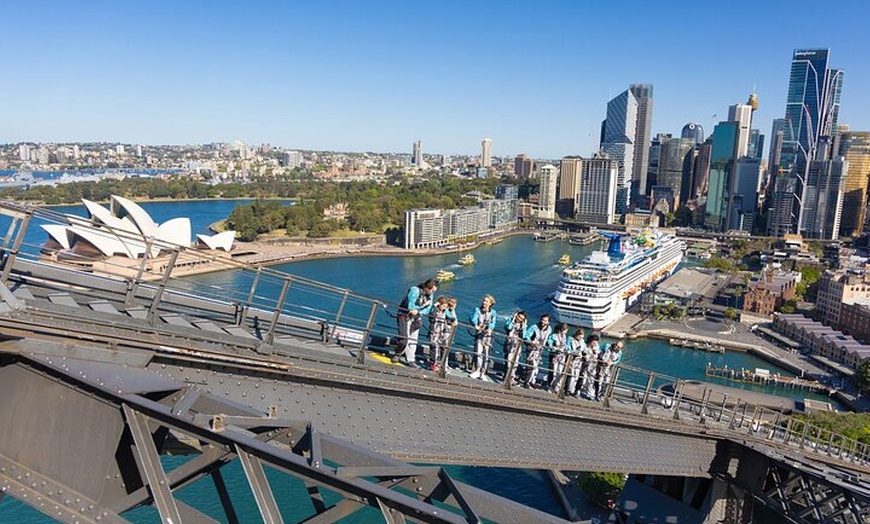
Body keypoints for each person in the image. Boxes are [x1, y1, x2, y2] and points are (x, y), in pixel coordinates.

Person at [395, 278, 437, 366]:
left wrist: (418, 311)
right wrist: (423, 305)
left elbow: (428, 309)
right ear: (427, 288)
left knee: (413, 340)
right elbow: (410, 306)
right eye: (432, 291)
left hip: (416, 317)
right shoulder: (414, 290)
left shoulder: (430, 295)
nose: (432, 293)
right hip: (404, 315)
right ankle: (398, 353)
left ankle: (411, 360)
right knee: (404, 339)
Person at [469, 294, 497, 379]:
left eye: (486, 301)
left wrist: (490, 328)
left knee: (486, 354)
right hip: (479, 334)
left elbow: (493, 323)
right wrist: (476, 325)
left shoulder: (493, 312)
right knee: (478, 352)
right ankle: (478, 370)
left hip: (488, 336)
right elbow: (473, 318)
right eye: (484, 300)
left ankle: (483, 373)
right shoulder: (477, 310)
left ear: (490, 303)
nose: (484, 302)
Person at [522, 313, 552, 388]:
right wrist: (531, 341)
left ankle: (533, 381)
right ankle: (526, 382)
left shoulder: (549, 329)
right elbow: (526, 336)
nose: (543, 322)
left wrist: (550, 345)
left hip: (539, 350)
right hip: (531, 349)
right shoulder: (534, 327)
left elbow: (548, 339)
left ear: (548, 322)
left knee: (536, 367)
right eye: (542, 320)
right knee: (531, 365)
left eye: (545, 321)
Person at [428, 296, 457, 371]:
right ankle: (433, 364)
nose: (444, 308)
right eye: (443, 306)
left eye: (445, 307)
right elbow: (431, 316)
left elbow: (451, 317)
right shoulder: (435, 310)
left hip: (441, 332)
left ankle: (442, 364)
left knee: (442, 348)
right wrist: (435, 306)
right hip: (434, 331)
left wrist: (452, 319)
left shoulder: (445, 311)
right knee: (434, 348)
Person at [502, 310, 527, 383]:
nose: (519, 319)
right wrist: (513, 320)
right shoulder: (510, 321)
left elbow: (524, 336)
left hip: (517, 346)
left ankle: (512, 377)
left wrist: (523, 326)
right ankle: (507, 377)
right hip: (509, 344)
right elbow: (508, 327)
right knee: (508, 361)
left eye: (522, 318)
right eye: (519, 317)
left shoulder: (523, 326)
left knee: (515, 362)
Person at [548, 322, 569, 392]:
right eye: (565, 330)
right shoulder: (554, 336)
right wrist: (555, 348)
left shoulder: (565, 337)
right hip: (555, 356)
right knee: (554, 371)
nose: (566, 332)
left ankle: (557, 386)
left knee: (559, 372)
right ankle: (551, 386)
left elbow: (566, 346)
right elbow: (550, 344)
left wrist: (567, 350)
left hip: (562, 356)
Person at [566, 328, 587, 396]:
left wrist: (585, 354)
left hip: (579, 360)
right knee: (571, 375)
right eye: (579, 337)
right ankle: (567, 389)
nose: (580, 338)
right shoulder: (570, 339)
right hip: (572, 358)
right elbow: (568, 348)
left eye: (582, 337)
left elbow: (584, 349)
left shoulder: (582, 342)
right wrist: (574, 352)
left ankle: (572, 389)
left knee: (576, 376)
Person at [581, 334, 601, 399]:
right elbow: (583, 353)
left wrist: (596, 352)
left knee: (591, 380)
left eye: (596, 342)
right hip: (585, 364)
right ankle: (581, 390)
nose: (595, 344)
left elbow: (598, 353)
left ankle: (590, 394)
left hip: (593, 366)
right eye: (593, 342)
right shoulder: (585, 346)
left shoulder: (597, 347)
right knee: (583, 379)